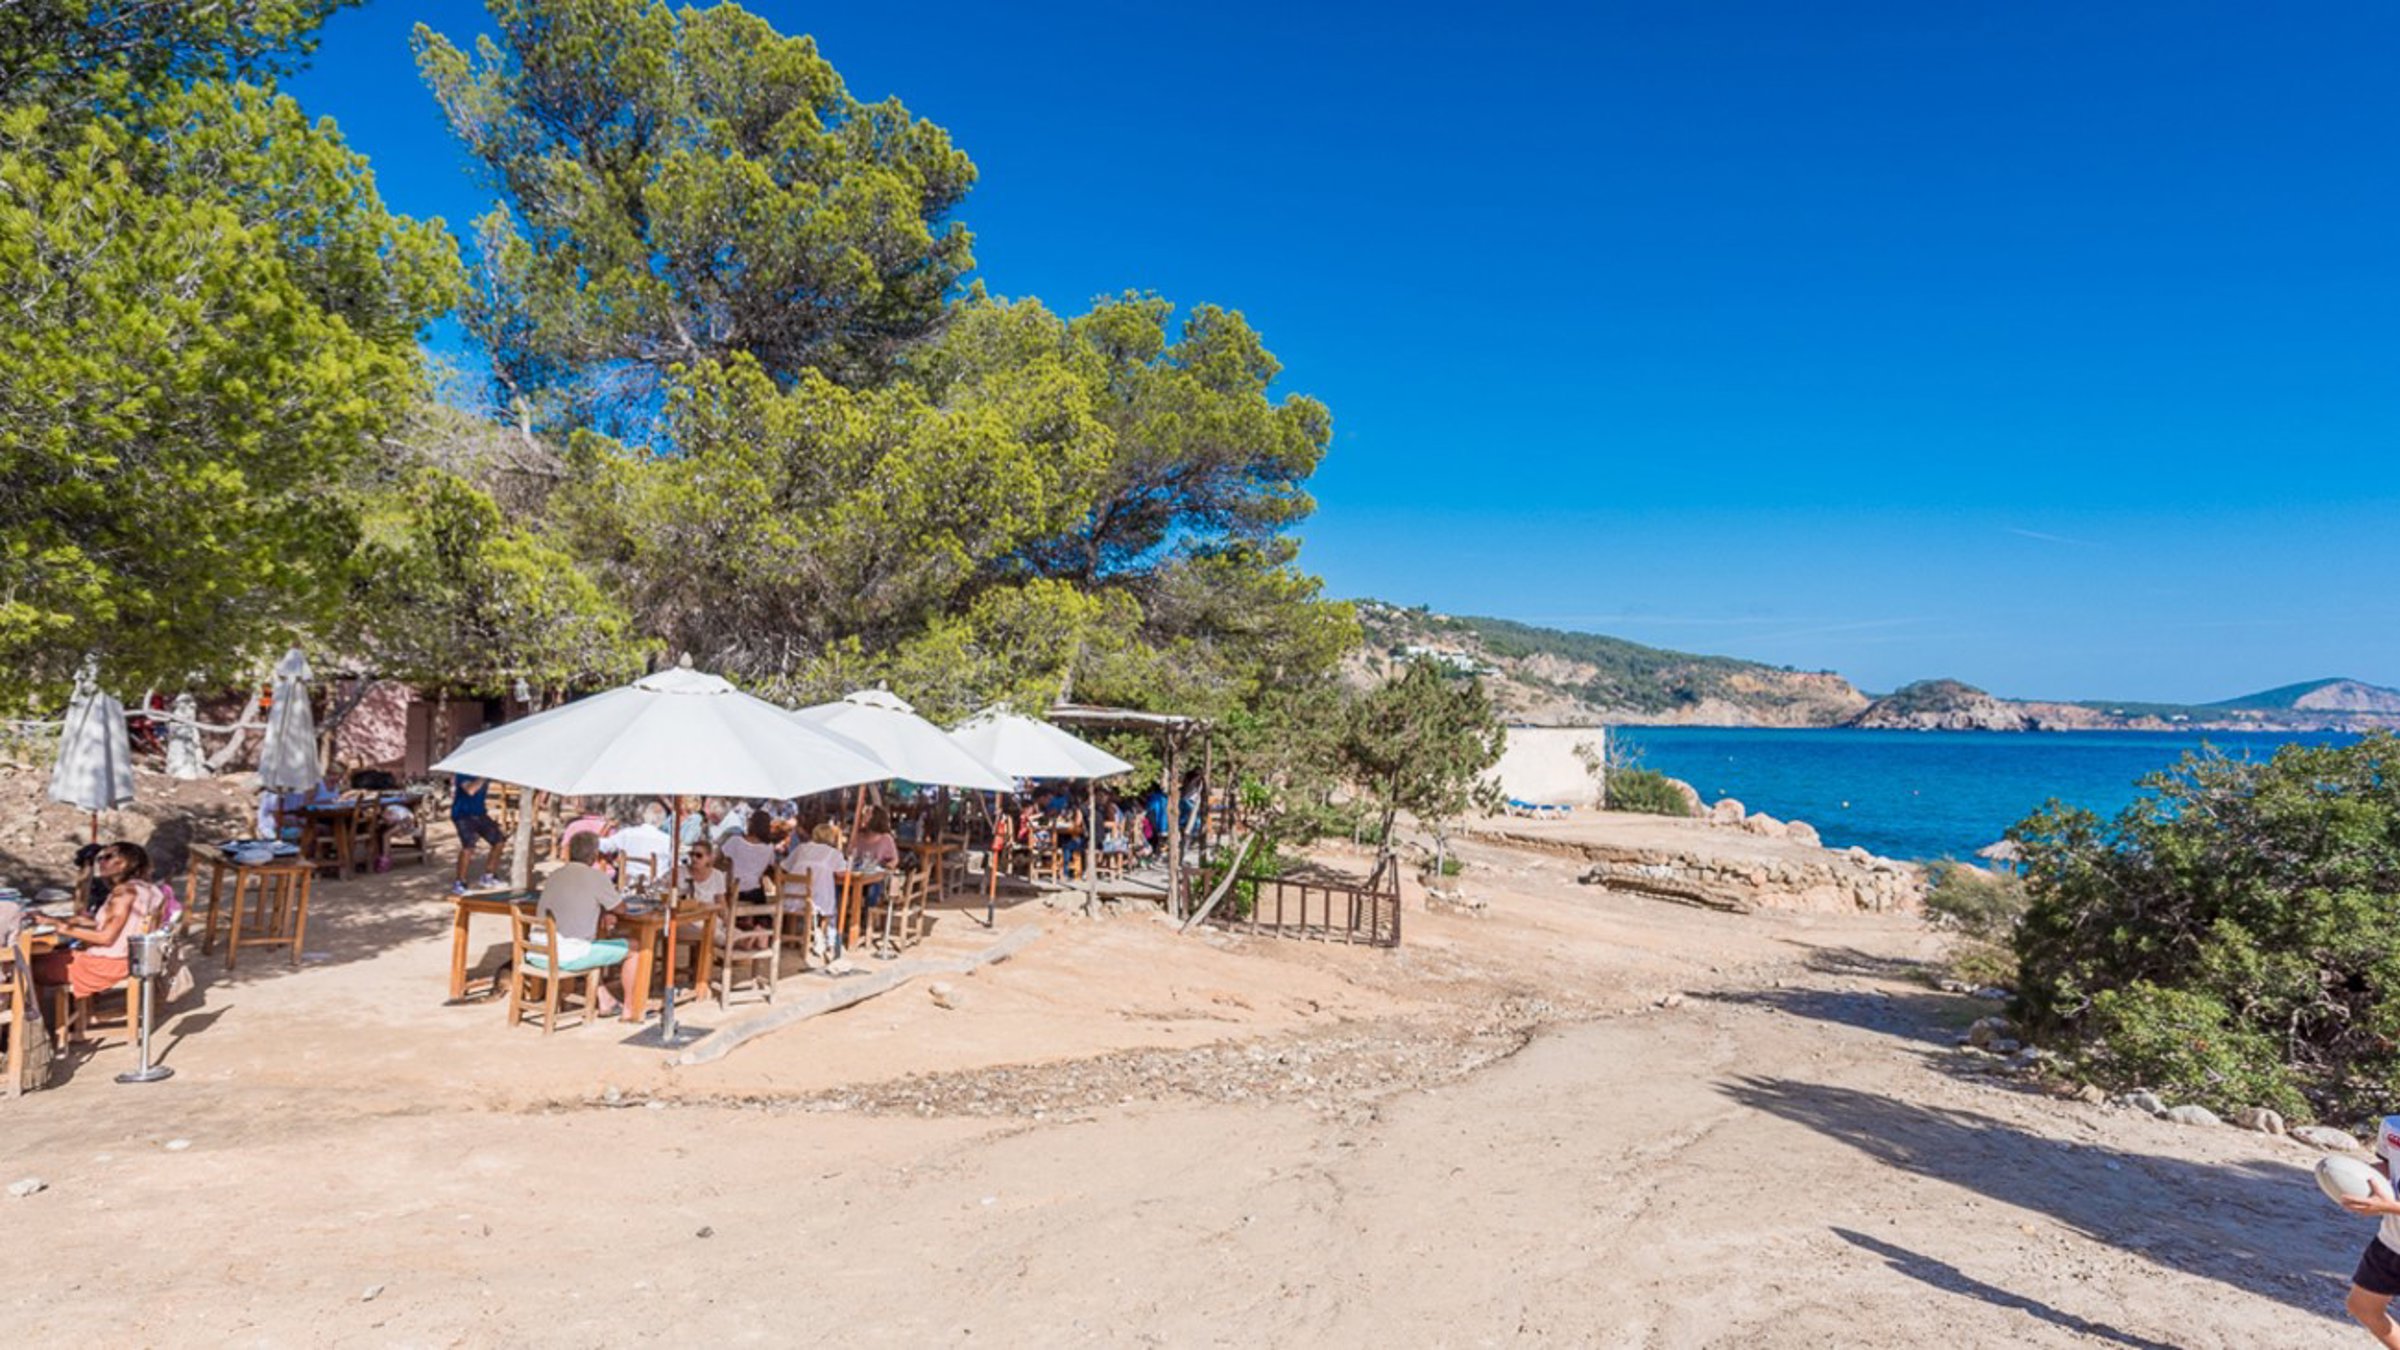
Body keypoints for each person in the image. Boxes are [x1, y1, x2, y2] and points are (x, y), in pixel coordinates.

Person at [33, 842, 166, 1021]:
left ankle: (26, 1029)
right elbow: (121, 926)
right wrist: (58, 920)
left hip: (104, 966)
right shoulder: (150, 889)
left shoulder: (124, 893)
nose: (101, 862)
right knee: (52, 955)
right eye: (100, 858)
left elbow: (106, 937)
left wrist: (64, 928)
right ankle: (61, 1017)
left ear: (124, 863)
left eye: (107, 857)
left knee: (27, 966)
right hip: (129, 960)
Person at [534, 833, 632, 1015]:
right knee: (635, 949)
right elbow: (621, 909)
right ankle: (631, 1010)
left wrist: (603, 912)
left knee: (590, 945)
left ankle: (606, 1000)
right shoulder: (597, 877)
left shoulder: (555, 875)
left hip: (538, 952)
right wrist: (608, 910)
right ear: (595, 855)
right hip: (567, 955)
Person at [2341, 1116, 2400, 1348]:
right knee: (2362, 1306)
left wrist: (2388, 1207)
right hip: (2392, 1239)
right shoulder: (2392, 1125)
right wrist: (2347, 1174)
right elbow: (2389, 1167)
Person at [781, 821, 848, 955]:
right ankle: (827, 938)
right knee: (831, 896)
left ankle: (794, 935)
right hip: (816, 902)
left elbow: (784, 867)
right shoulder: (833, 853)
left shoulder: (802, 848)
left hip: (791, 898)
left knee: (821, 890)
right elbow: (842, 873)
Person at [598, 802, 675, 888]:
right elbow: (676, 864)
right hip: (655, 888)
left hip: (627, 885)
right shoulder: (667, 840)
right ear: (662, 821)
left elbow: (601, 845)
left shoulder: (627, 834)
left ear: (644, 817)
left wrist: (607, 827)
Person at [450, 774, 504, 895]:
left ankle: (489, 876)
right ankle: (459, 883)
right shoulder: (462, 773)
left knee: (499, 841)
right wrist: (483, 777)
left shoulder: (484, 774)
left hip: (480, 814)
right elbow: (471, 790)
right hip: (462, 815)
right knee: (468, 846)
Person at [719, 809, 779, 906]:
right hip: (755, 893)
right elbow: (772, 868)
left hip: (734, 890)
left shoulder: (735, 841)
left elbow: (718, 860)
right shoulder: (769, 848)